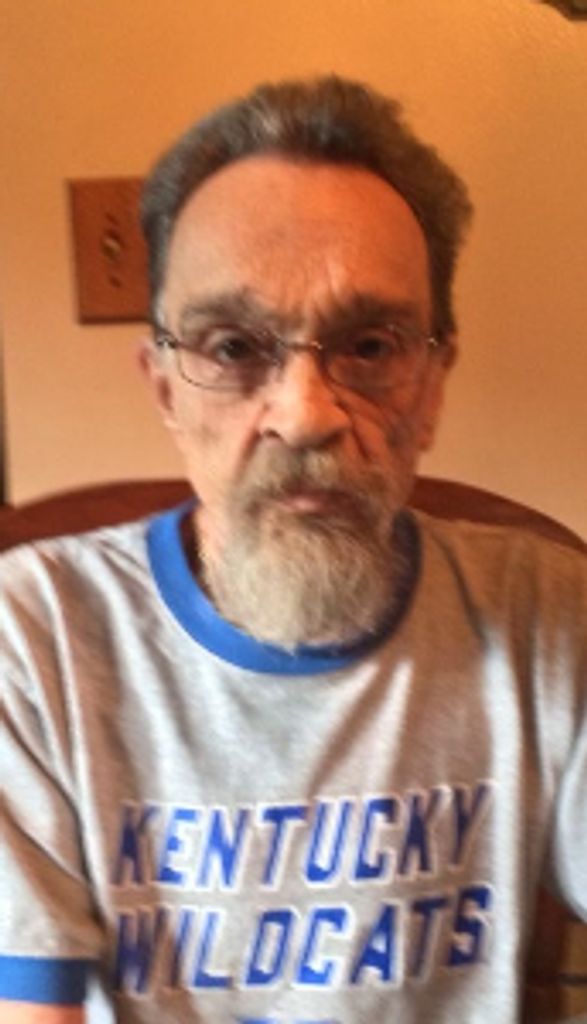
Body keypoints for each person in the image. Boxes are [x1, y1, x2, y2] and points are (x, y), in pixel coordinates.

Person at [1, 76, 585, 1024]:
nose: (306, 415)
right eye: (233, 347)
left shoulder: (548, 614)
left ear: (432, 385)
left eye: (370, 346)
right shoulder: (32, 636)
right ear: (165, 390)